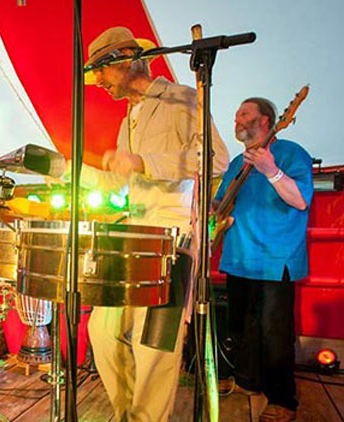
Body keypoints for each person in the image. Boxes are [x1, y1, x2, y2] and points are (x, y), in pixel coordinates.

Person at [73, 27, 229, 421]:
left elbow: (215, 158)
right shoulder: (128, 118)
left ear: (126, 58)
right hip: (135, 237)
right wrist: (70, 172)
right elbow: (120, 182)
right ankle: (129, 415)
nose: (99, 82)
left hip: (173, 238)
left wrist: (143, 162)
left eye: (101, 70)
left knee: (154, 349)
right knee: (102, 333)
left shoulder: (181, 97)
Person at [214, 97, 312, 422]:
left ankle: (283, 400)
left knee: (275, 335)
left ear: (267, 120)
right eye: (236, 115)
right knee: (241, 328)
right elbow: (221, 206)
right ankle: (248, 381)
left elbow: (300, 201)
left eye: (244, 113)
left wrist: (271, 170)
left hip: (275, 259)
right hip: (238, 257)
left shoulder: (291, 153)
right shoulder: (236, 164)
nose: (237, 119)